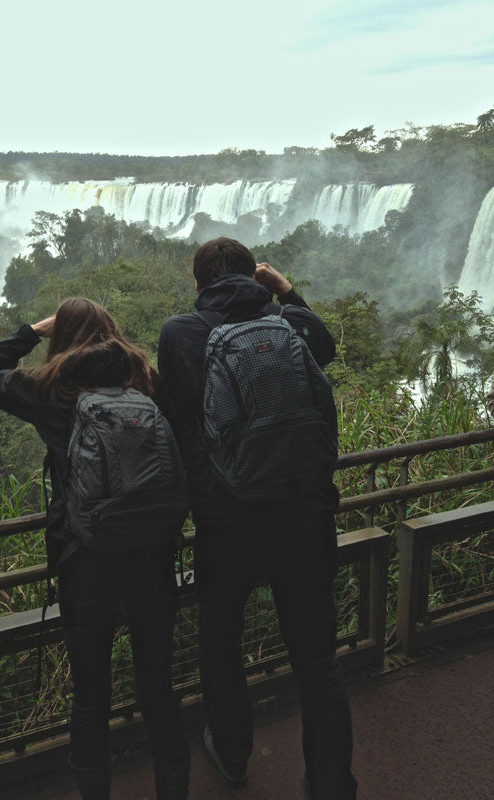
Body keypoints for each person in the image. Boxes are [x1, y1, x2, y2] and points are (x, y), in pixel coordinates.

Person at [0, 298, 190, 800]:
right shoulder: (146, 380)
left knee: (91, 695)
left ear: (59, 335)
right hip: (152, 553)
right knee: (158, 688)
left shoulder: (47, 387)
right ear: (111, 328)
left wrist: (29, 332)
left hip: (83, 558)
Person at [158, 237, 357, 800]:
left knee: (221, 646)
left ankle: (234, 755)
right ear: (256, 276)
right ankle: (332, 785)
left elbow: (179, 419)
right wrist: (287, 291)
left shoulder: (180, 333)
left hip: (226, 519)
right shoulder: (290, 324)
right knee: (318, 660)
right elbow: (327, 350)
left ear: (197, 284)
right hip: (304, 511)